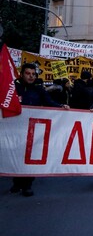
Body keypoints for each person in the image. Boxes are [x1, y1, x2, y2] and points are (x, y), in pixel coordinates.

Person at [10, 63, 70, 197]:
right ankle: (16, 181)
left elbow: (48, 102)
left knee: (29, 156)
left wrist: (61, 106)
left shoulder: (38, 89)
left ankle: (27, 185)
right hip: (15, 128)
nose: (31, 76)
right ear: (21, 74)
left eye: (33, 74)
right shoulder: (13, 87)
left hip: (32, 129)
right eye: (28, 73)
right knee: (16, 155)